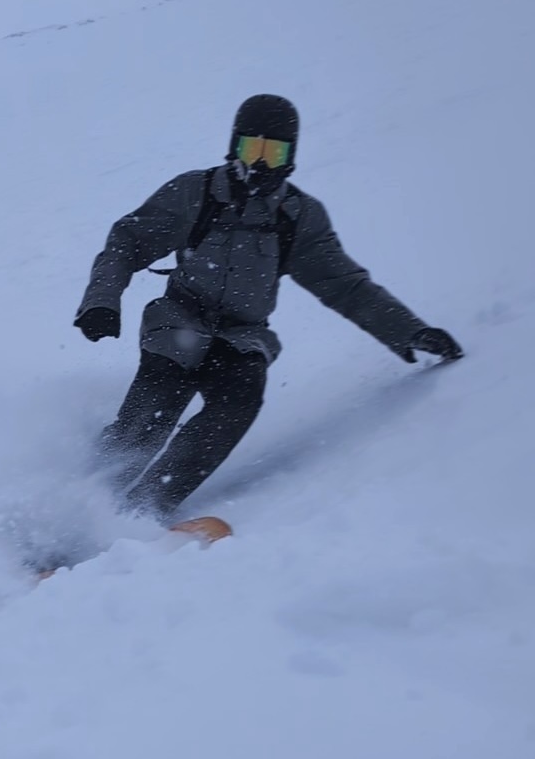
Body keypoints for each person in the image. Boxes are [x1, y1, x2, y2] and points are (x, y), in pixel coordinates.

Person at [74, 94, 463, 524]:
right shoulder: (194, 194)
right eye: (250, 149)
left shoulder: (298, 217)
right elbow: (126, 242)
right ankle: (78, 505)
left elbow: (347, 287)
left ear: (290, 157)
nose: (258, 164)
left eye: (272, 152)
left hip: (241, 336)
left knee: (239, 402)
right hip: (178, 321)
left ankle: (143, 509)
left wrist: (408, 331)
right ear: (233, 147)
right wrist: (102, 302)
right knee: (153, 412)